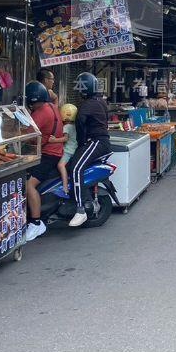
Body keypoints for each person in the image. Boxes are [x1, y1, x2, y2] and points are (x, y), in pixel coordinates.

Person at [67, 72, 112, 227]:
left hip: (96, 142)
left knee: (75, 168)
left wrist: (81, 142)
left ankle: (80, 210)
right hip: (100, 141)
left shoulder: (88, 105)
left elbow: (80, 122)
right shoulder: (100, 101)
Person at [25, 81, 66, 242]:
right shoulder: (53, 107)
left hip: (48, 154)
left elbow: (27, 135)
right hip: (55, 152)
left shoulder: (39, 114)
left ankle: (36, 223)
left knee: (29, 185)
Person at [56, 103, 78, 190]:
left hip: (68, 151)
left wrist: (54, 140)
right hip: (74, 150)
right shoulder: (75, 126)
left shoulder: (67, 127)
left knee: (60, 165)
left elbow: (65, 139)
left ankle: (65, 187)